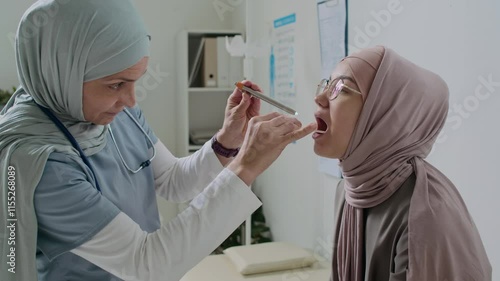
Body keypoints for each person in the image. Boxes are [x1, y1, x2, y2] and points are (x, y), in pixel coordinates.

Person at [0, 1, 316, 281]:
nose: (131, 100)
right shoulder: (39, 163)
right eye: (115, 85)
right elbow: (145, 266)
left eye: (135, 80)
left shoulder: (110, 112)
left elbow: (174, 180)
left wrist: (227, 140)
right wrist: (247, 165)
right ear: (61, 73)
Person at [312, 46, 492, 281]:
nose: (320, 98)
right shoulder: (349, 191)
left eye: (340, 88)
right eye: (327, 84)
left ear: (385, 115)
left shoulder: (426, 218)